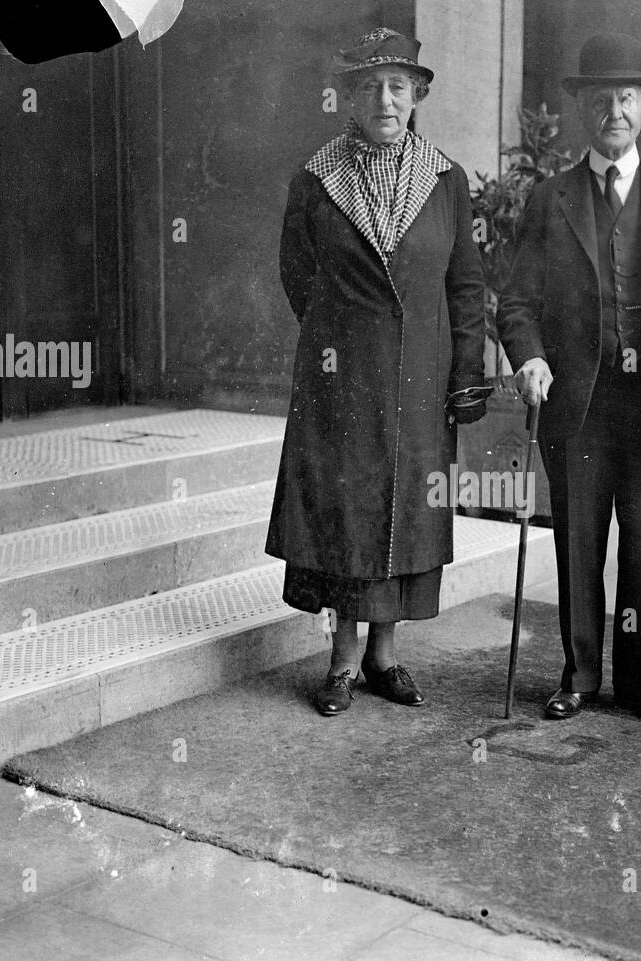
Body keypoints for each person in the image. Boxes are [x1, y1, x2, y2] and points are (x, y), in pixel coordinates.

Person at [498, 32, 641, 724]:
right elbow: (516, 302)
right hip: (580, 404)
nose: (615, 111)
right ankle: (580, 675)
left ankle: (639, 682)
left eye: (627, 98)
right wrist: (528, 355)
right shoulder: (549, 200)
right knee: (579, 543)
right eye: (601, 99)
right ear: (582, 111)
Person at [266, 27, 488, 716]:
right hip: (341, 380)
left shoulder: (448, 181)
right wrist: (339, 338)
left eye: (397, 86)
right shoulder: (317, 176)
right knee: (343, 513)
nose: (384, 100)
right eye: (369, 86)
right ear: (349, 98)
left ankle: (385, 657)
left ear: (417, 93)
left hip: (421, 376)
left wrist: (465, 375)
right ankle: (339, 663)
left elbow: (466, 286)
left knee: (404, 512)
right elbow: (296, 270)